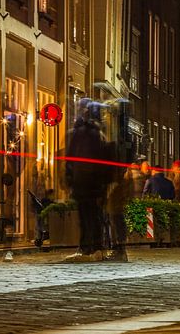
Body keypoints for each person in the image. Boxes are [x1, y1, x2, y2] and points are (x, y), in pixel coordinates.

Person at [65, 98, 113, 257]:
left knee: (85, 215)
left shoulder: (79, 134)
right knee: (94, 215)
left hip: (83, 182)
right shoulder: (98, 135)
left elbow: (70, 158)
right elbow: (104, 161)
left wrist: (70, 178)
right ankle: (95, 245)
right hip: (92, 184)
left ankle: (87, 246)